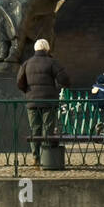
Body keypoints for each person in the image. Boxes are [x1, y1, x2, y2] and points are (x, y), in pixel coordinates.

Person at [16, 38, 70, 166]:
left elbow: (19, 81)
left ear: (35, 49)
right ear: (47, 49)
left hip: (32, 101)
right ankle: (47, 157)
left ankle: (36, 157)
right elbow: (64, 78)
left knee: (35, 129)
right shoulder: (52, 62)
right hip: (49, 101)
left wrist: (27, 91)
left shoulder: (27, 63)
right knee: (48, 128)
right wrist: (59, 87)